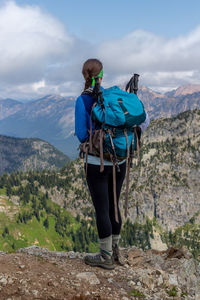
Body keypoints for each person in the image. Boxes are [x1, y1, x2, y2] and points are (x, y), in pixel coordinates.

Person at [75, 58, 126, 270]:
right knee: (114, 205)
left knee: (102, 209)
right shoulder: (113, 96)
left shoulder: (83, 100)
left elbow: (80, 135)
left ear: (85, 76)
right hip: (120, 161)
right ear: (102, 75)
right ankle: (115, 251)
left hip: (97, 163)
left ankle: (105, 257)